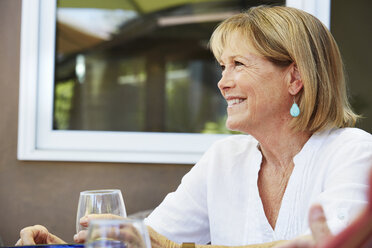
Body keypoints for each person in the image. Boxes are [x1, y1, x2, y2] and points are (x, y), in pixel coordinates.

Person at [16, 5, 372, 248]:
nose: (223, 82)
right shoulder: (224, 158)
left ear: (294, 76)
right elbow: (150, 241)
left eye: (238, 64)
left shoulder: (352, 152)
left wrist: (150, 240)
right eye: (222, 66)